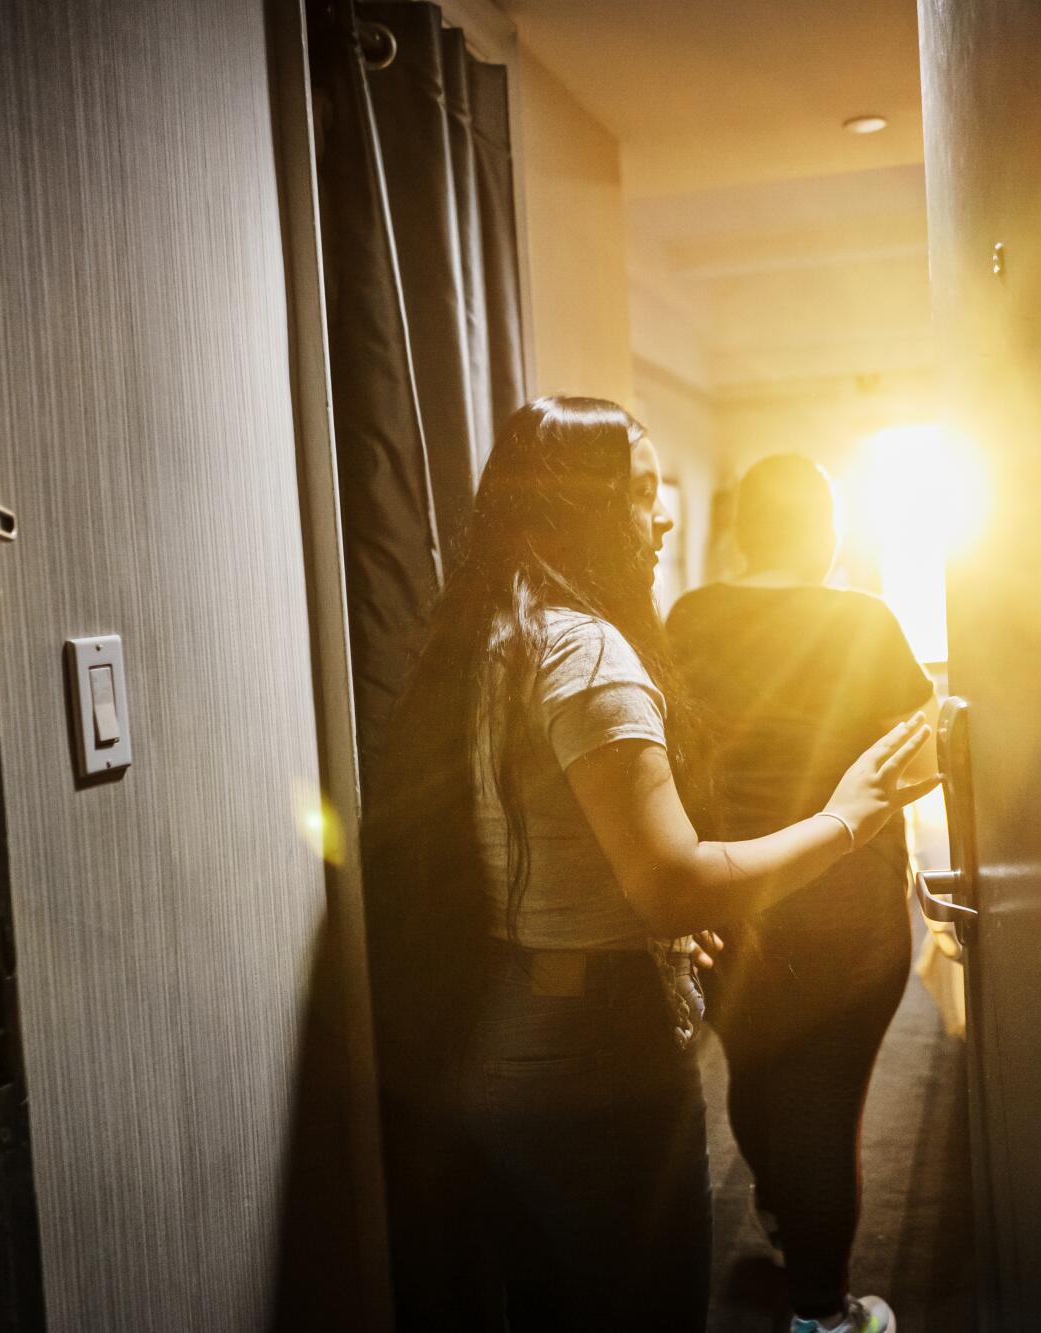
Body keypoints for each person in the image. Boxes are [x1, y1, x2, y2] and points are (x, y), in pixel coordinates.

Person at [362, 399, 934, 1332]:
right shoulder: (588, 655)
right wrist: (845, 818)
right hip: (593, 1038)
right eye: (639, 491)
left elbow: (569, 841)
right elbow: (667, 878)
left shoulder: (500, 633)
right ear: (579, 505)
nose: (664, 512)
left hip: (507, 1018)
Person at [666, 454, 936, 1333]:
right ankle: (824, 1313)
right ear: (826, 532)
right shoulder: (866, 621)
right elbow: (925, 758)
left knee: (754, 1069)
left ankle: (784, 1216)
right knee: (829, 1105)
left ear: (741, 530)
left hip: (732, 897)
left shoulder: (691, 616)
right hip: (846, 902)